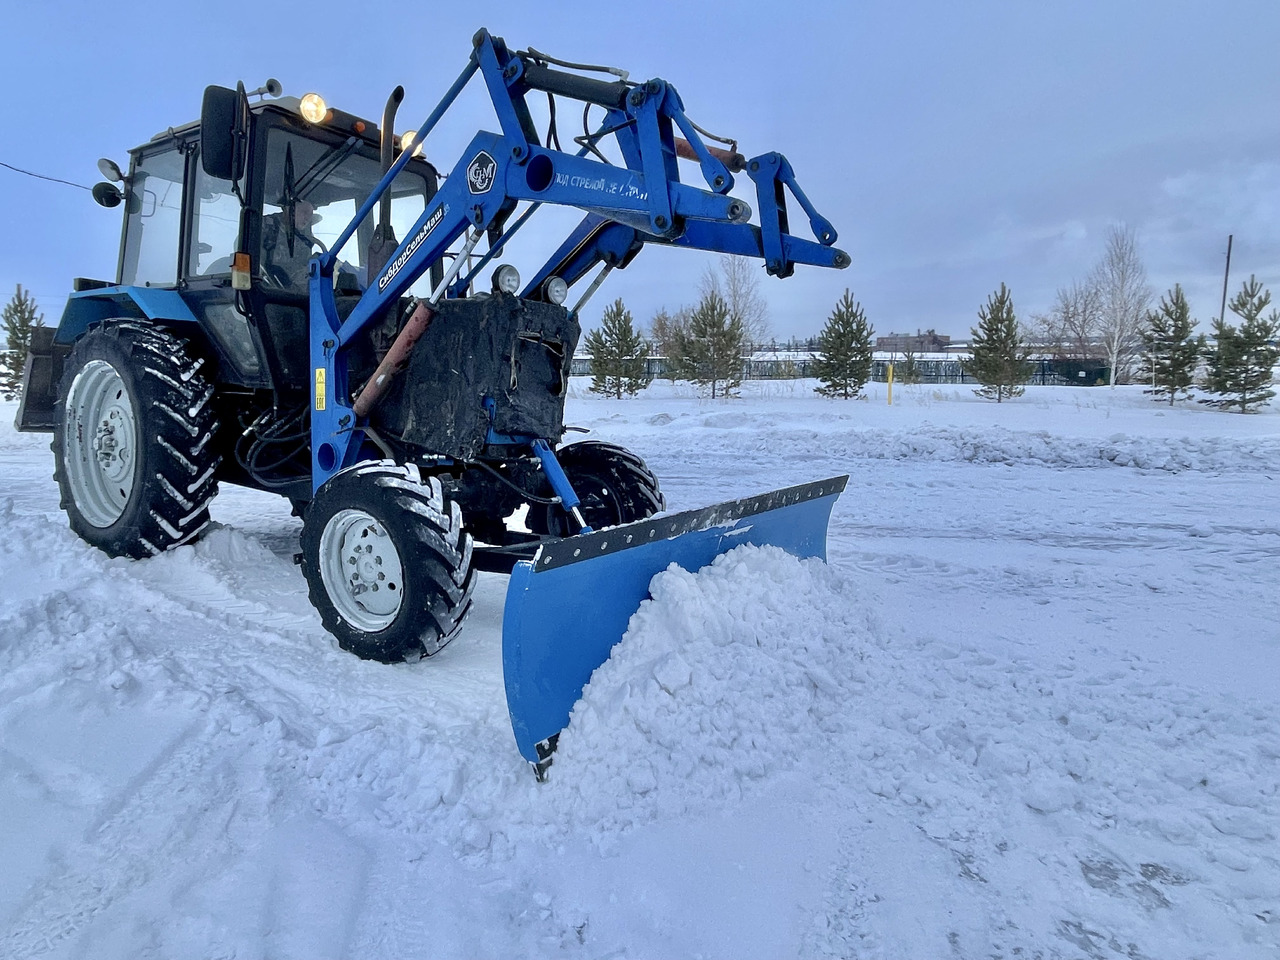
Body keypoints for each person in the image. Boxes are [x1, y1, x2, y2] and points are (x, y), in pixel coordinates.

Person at [261, 199, 321, 289]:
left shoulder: (305, 237)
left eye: (310, 215)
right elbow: (247, 250)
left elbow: (304, 266)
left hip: (295, 294)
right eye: (304, 212)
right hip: (267, 290)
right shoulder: (265, 225)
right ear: (289, 209)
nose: (307, 218)